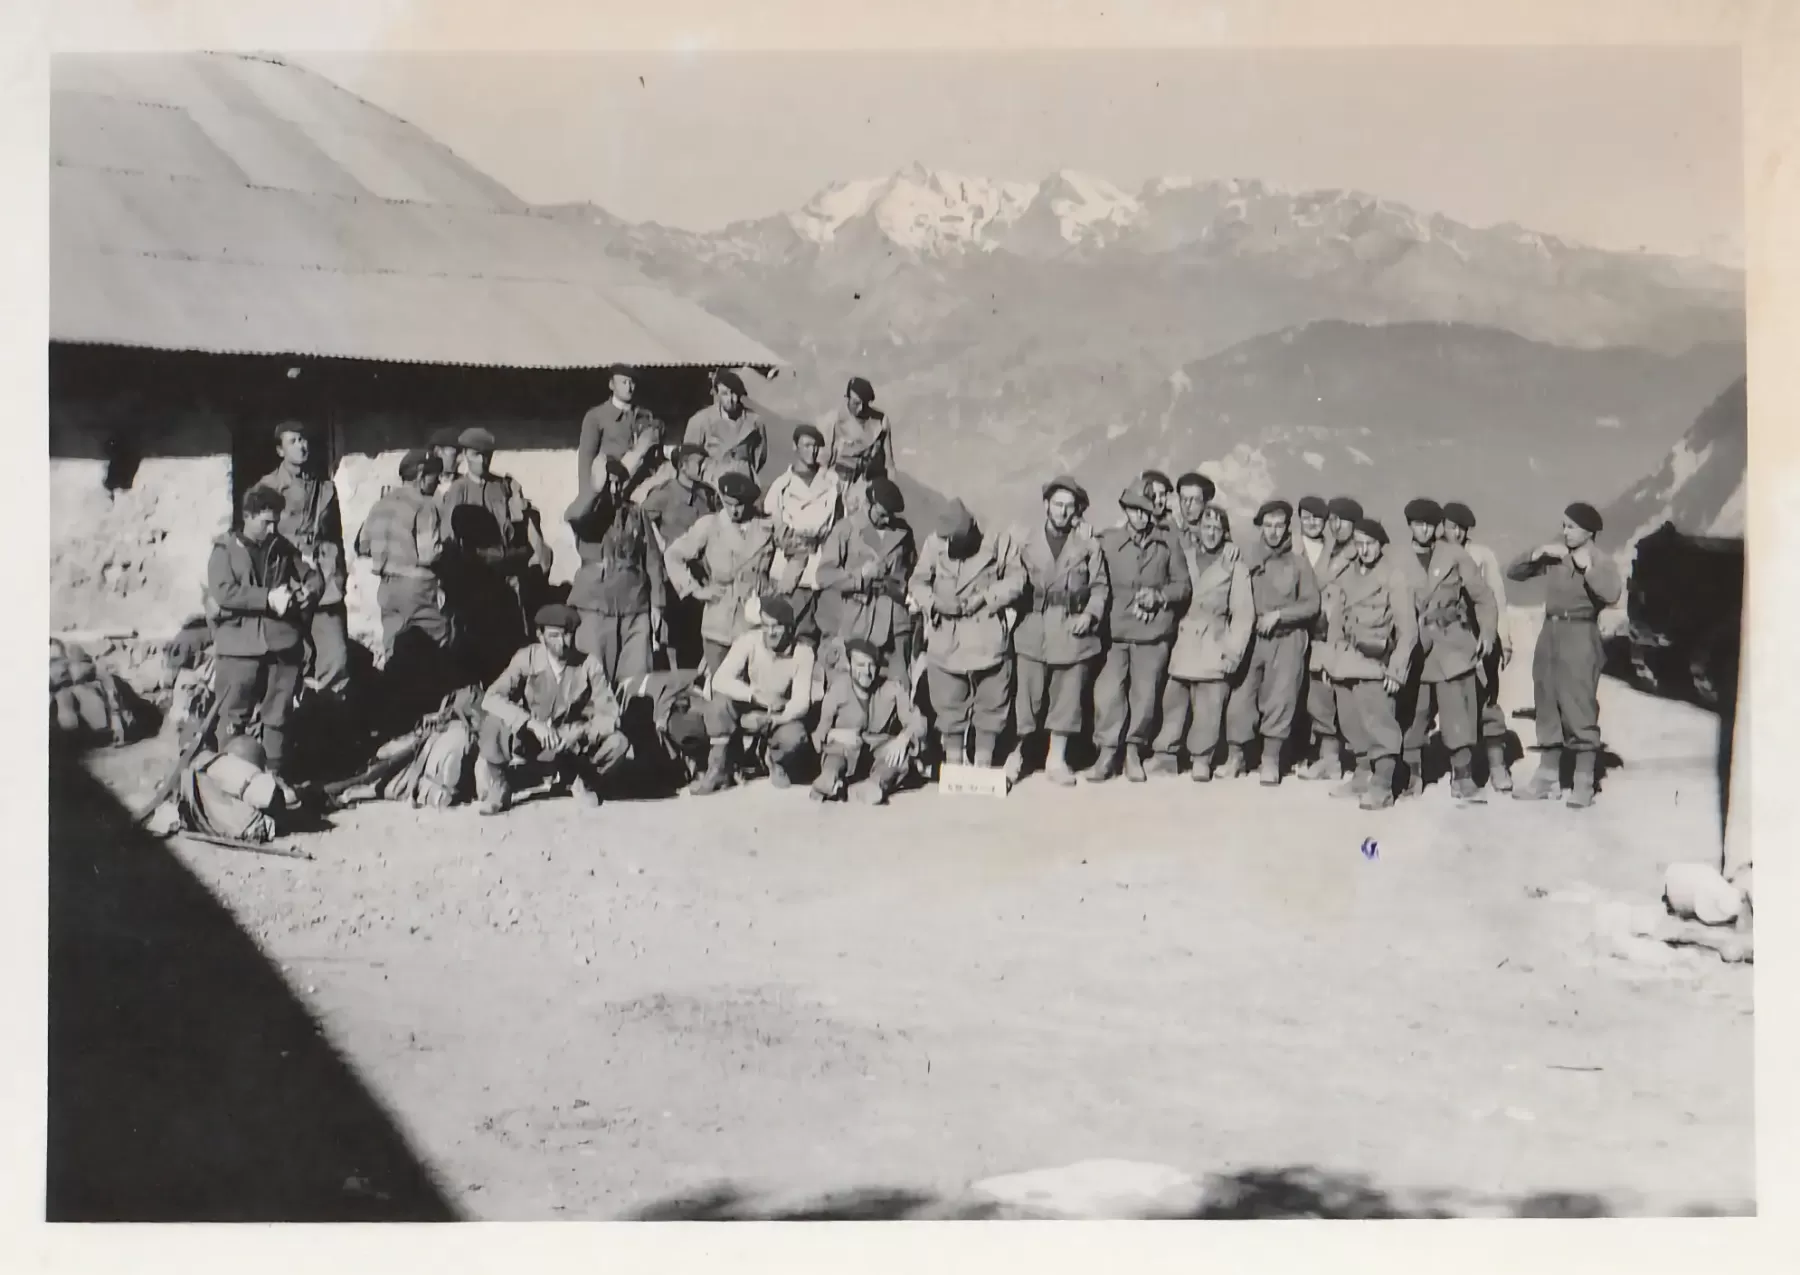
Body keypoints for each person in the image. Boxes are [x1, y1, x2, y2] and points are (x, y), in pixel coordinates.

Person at [1505, 501, 1624, 808]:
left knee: (1578, 705)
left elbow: (1612, 593)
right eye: (1564, 526)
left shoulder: (1600, 561)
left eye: (1571, 527)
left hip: (1580, 634)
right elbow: (1514, 573)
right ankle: (1547, 778)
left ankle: (1583, 782)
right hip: (1550, 634)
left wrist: (1587, 569)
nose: (1565, 532)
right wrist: (1537, 553)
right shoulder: (1556, 556)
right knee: (1546, 701)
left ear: (1589, 531)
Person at [205, 485, 324, 778]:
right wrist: (267, 598)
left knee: (278, 715)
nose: (272, 529)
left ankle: (275, 776)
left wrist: (310, 591)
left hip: (281, 644)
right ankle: (231, 777)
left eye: (275, 522)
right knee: (232, 714)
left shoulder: (281, 547)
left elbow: (312, 575)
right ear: (247, 516)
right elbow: (223, 592)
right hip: (238, 646)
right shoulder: (224, 551)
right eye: (266, 522)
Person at [476, 604, 632, 814]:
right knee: (494, 721)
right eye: (554, 635)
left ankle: (582, 780)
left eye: (568, 634)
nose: (562, 642)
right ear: (540, 636)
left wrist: (581, 731)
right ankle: (500, 786)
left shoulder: (589, 665)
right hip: (531, 738)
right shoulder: (527, 658)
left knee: (618, 742)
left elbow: (611, 715)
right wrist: (532, 724)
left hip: (570, 745)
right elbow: (492, 698)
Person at [1006, 476, 1110, 788]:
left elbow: (1100, 587)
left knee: (1068, 695)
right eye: (1057, 505)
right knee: (1026, 697)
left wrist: (1090, 615)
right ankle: (1016, 755)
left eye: (1068, 506)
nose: (1062, 512)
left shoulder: (1088, 545)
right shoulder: (1024, 542)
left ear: (1076, 510)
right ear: (1046, 505)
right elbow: (1010, 580)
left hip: (1070, 627)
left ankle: (1057, 758)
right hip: (1033, 626)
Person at [909, 498, 1026, 769]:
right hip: (946, 636)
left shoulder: (998, 543)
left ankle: (983, 761)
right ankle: (953, 761)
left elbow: (1017, 579)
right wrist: (936, 603)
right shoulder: (934, 544)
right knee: (948, 699)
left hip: (986, 633)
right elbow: (917, 582)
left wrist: (986, 597)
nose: (950, 544)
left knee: (992, 699)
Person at [1395, 498, 1498, 803]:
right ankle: (1412, 775)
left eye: (1430, 524)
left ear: (1438, 526)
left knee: (1459, 711)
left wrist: (1488, 633)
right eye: (1418, 524)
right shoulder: (1397, 559)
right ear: (1410, 526)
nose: (1424, 530)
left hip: (1452, 642)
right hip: (1416, 646)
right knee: (1414, 712)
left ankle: (1463, 777)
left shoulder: (1454, 554)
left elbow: (1483, 597)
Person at [1088, 478, 1191, 783]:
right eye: (1135, 510)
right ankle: (1107, 751)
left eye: (1146, 511)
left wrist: (1159, 596)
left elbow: (1183, 586)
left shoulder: (1168, 542)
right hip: (1114, 632)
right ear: (1125, 510)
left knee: (1145, 695)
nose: (1141, 516)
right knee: (1107, 693)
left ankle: (1133, 750)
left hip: (1153, 633)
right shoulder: (1107, 542)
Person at [1319, 518, 1417, 810]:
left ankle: (1383, 785)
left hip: (1376, 663)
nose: (1364, 550)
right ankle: (1362, 776)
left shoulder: (1394, 577)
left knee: (1380, 726)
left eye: (1370, 544)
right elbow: (1336, 623)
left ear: (1381, 544)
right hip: (1346, 661)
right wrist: (1330, 662)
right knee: (1351, 723)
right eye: (1359, 544)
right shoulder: (1347, 576)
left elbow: (1408, 631)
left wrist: (1397, 671)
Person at [440, 426, 551, 680]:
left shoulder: (502, 487)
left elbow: (517, 528)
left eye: (487, 455)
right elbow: (450, 537)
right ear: (465, 455)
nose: (483, 461)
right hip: (474, 576)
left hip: (505, 576)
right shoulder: (458, 489)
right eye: (477, 455)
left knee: (508, 640)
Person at [251, 420, 350, 705]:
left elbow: (335, 536)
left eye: (304, 440)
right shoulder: (267, 487)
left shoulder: (325, 488)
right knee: (289, 657)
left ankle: (330, 715)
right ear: (280, 451)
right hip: (287, 578)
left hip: (324, 581)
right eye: (293, 441)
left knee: (336, 656)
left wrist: (338, 575)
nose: (301, 446)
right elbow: (258, 540)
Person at [1223, 499, 1321, 784]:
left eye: (1279, 526)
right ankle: (1236, 756)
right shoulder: (1247, 557)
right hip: (1252, 638)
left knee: (1281, 698)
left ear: (1287, 527)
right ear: (1260, 527)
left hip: (1287, 638)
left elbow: (1311, 604)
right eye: (1268, 525)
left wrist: (1279, 615)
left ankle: (1271, 759)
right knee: (1241, 697)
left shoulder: (1299, 563)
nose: (1274, 532)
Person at [1153, 504, 1251, 779]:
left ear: (1225, 532)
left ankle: (1201, 759)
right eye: (1206, 527)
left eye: (1217, 528)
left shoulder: (1235, 565)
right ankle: (1165, 755)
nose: (1211, 533)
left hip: (1213, 642)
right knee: (1173, 701)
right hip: (1184, 640)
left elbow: (1243, 614)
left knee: (1209, 704)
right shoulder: (1184, 558)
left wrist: (1233, 651)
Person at [690, 594, 817, 795]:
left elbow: (801, 702)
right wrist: (754, 694)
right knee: (719, 703)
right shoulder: (749, 640)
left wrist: (774, 719)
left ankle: (773, 759)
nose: (770, 632)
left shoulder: (803, 652)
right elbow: (720, 679)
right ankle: (719, 767)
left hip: (778, 712)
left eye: (777, 627)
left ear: (789, 628)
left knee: (795, 737)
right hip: (749, 706)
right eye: (766, 625)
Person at [564, 455, 668, 686]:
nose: (614, 489)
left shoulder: (636, 513)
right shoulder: (588, 513)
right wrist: (595, 490)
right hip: (595, 607)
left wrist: (657, 603)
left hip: (634, 607)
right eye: (608, 484)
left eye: (618, 483)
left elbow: (652, 559)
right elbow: (573, 515)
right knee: (593, 677)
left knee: (636, 677)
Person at [662, 470, 778, 675]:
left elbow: (794, 554)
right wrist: (694, 589)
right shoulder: (710, 525)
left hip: (754, 620)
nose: (733, 510)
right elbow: (673, 555)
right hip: (719, 621)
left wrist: (777, 591)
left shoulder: (767, 527)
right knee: (719, 681)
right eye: (728, 503)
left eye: (739, 505)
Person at [813, 477, 917, 688]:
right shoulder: (846, 529)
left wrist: (909, 594)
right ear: (868, 503)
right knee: (847, 684)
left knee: (898, 686)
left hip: (893, 623)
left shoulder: (903, 532)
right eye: (882, 514)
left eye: (891, 515)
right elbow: (824, 575)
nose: (887, 520)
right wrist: (859, 575)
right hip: (856, 619)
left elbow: (913, 571)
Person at [1441, 501, 1515, 792]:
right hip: (1449, 641)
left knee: (1487, 701)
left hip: (1481, 637)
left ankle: (1497, 765)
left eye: (1462, 528)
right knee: (1455, 704)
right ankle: (1462, 770)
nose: (1457, 533)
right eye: (1452, 526)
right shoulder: (1436, 555)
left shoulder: (1482, 555)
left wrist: (1503, 639)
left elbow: (1497, 598)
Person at [353, 448, 450, 658]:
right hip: (417, 589)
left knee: (395, 648)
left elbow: (363, 546)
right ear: (421, 475)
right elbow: (428, 554)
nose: (438, 482)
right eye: (435, 476)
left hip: (387, 589)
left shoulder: (381, 504)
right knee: (435, 645)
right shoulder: (424, 505)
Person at [810, 636, 927, 805]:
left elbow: (918, 722)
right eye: (860, 665)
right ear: (849, 665)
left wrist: (904, 737)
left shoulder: (891, 689)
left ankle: (874, 785)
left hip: (876, 755)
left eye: (870, 665)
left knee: (899, 755)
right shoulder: (838, 689)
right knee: (836, 752)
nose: (866, 671)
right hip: (847, 753)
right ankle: (829, 778)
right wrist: (832, 734)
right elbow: (818, 735)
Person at [1295, 495, 1362, 780]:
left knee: (1347, 699)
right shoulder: (1329, 552)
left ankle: (1362, 763)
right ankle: (1330, 759)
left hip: (1346, 634)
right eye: (1333, 519)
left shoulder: (1360, 551)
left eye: (1343, 520)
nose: (1336, 526)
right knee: (1320, 697)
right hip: (1321, 634)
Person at [639, 441, 722, 669]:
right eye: (699, 463)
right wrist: (659, 546)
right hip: (673, 576)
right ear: (683, 466)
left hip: (701, 575)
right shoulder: (664, 494)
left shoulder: (707, 494)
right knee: (675, 634)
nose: (703, 467)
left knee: (699, 632)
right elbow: (641, 521)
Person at [761, 423, 843, 642]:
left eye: (816, 446)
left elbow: (839, 522)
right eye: (806, 445)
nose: (812, 451)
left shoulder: (832, 483)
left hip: (821, 557)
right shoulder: (781, 486)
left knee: (823, 624)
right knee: (791, 622)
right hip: (790, 562)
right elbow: (773, 526)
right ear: (794, 446)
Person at [577, 364, 669, 498]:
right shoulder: (596, 416)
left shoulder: (645, 416)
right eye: (624, 382)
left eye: (632, 383)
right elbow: (586, 460)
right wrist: (587, 496)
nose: (629, 387)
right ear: (611, 385)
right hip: (607, 488)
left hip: (640, 487)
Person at [818, 376, 893, 520]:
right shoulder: (834, 420)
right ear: (847, 398)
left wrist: (888, 493)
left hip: (866, 482)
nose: (860, 408)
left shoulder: (880, 421)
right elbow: (823, 462)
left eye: (865, 404)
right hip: (839, 480)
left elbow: (889, 463)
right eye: (856, 403)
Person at [685, 369, 768, 487]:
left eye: (735, 393)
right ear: (716, 393)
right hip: (711, 486)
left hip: (743, 485)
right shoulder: (700, 421)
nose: (731, 399)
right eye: (725, 393)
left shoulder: (754, 422)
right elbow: (689, 459)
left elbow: (759, 456)